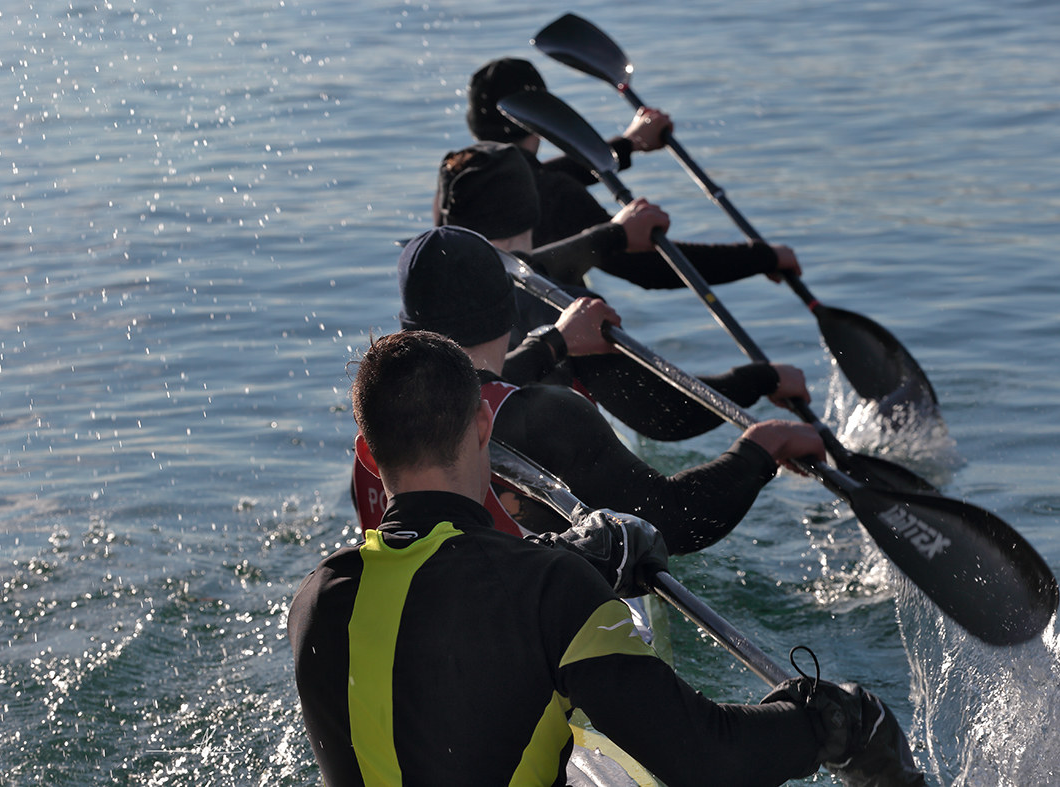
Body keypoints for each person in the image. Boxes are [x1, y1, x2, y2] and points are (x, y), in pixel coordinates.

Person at [295, 328, 925, 785]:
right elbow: (705, 759)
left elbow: (441, 610)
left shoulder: (318, 599)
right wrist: (833, 720)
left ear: (369, 456)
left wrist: (576, 559)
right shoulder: (549, 592)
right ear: (484, 429)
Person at [354, 225, 824, 542]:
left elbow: (472, 386)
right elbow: (677, 521)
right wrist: (763, 447)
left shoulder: (381, 421)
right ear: (509, 313)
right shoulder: (545, 417)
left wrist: (555, 343)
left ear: (409, 325)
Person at [435, 139, 811, 443]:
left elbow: (526, 265)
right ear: (533, 209)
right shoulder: (562, 311)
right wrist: (763, 381)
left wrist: (624, 159)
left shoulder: (426, 287)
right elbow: (663, 414)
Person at [464, 57, 802, 287]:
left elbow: (538, 175)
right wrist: (762, 257)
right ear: (542, 118)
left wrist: (627, 146)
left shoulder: (458, 181)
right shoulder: (555, 194)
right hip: (552, 364)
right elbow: (648, 268)